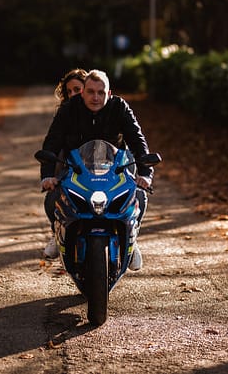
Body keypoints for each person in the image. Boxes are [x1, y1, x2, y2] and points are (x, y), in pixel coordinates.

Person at [39, 69, 154, 270]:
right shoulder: (69, 109)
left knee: (138, 195)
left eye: (101, 92)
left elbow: (137, 140)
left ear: (108, 93)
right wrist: (47, 175)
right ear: (83, 92)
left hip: (116, 168)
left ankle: (131, 236)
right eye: (90, 92)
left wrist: (145, 174)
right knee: (53, 197)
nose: (95, 97)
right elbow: (52, 142)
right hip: (76, 168)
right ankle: (58, 232)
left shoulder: (119, 107)